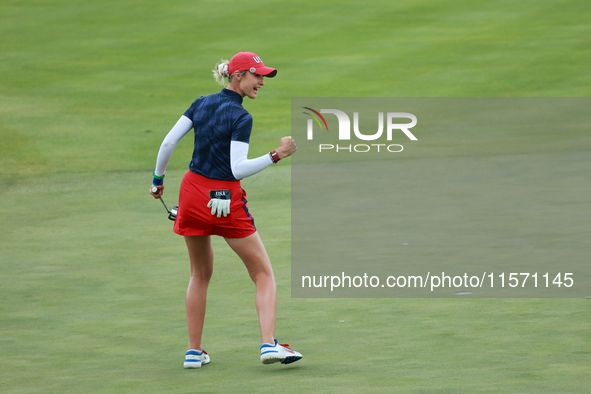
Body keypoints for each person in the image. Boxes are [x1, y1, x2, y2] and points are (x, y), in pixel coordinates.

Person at [149, 51, 302, 369]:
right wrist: (277, 154)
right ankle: (268, 344)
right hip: (225, 200)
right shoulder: (241, 117)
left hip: (191, 195)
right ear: (238, 76)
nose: (261, 81)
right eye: (256, 75)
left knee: (199, 274)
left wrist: (157, 180)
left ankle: (194, 352)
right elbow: (237, 170)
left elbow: (167, 143)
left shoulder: (200, 103)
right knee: (263, 274)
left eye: (263, 76)